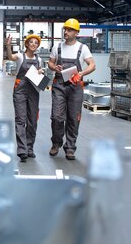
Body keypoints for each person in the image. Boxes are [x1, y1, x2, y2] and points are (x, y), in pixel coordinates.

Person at [47, 18, 95, 161]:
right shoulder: (57, 47)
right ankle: (56, 143)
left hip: (75, 88)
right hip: (59, 86)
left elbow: (92, 65)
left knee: (74, 118)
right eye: (65, 29)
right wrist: (53, 67)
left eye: (69, 30)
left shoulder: (83, 48)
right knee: (56, 116)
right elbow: (50, 62)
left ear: (76, 32)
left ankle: (70, 148)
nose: (66, 32)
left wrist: (81, 73)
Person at [6, 33, 44, 162]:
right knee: (21, 120)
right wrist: (8, 46)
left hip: (34, 91)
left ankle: (30, 148)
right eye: (31, 42)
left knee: (33, 121)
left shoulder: (39, 60)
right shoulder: (20, 57)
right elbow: (11, 57)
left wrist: (41, 72)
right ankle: (22, 150)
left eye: (36, 43)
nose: (34, 44)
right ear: (27, 44)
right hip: (20, 91)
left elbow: (41, 78)